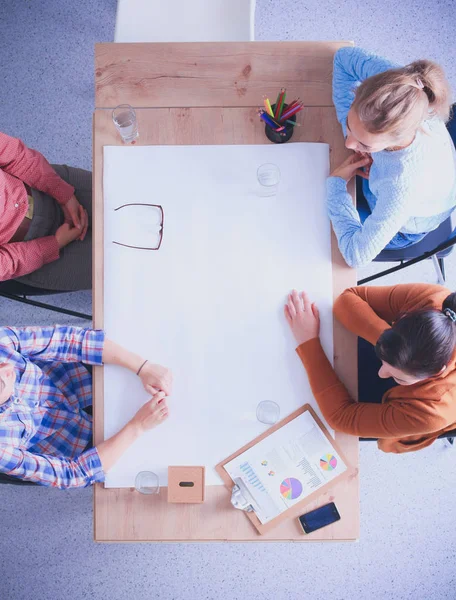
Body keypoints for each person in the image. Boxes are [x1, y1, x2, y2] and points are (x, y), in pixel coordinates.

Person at [284, 284, 456, 453]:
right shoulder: (434, 300)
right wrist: (390, 345)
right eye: (385, 363)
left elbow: (341, 418)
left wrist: (308, 342)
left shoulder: (433, 413)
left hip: (406, 407)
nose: (382, 374)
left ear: (437, 372)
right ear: (403, 318)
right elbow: (347, 300)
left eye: (400, 377)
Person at [327, 47, 456, 268]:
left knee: (316, 220)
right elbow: (342, 58)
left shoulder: (401, 185)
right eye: (351, 124)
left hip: (406, 226)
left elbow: (355, 255)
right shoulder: (399, 86)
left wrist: (335, 185)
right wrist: (351, 131)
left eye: (364, 143)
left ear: (395, 141)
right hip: (403, 186)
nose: (348, 144)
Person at [0, 325, 172, 487]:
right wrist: (138, 426)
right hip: (88, 443)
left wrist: (143, 367)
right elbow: (71, 474)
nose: (8, 365)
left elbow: (70, 341)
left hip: (84, 376)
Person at [0, 130, 93, 290]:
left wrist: (64, 194)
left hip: (40, 184)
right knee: (120, 267)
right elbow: (6, 263)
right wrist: (55, 244)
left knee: (133, 195)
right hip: (32, 252)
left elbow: (15, 154)